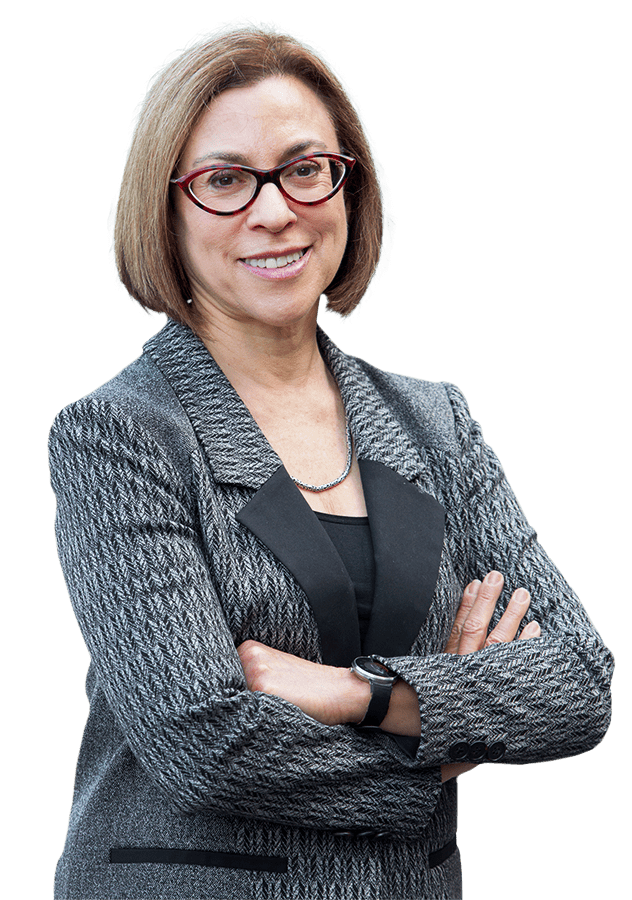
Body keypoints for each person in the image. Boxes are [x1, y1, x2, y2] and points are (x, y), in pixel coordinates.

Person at [47, 25, 614, 900]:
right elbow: (205, 742)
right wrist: (443, 741)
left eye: (305, 168)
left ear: (350, 185)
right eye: (226, 180)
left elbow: (579, 682)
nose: (274, 211)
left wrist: (360, 693)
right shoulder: (119, 435)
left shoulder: (437, 422)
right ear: (166, 210)